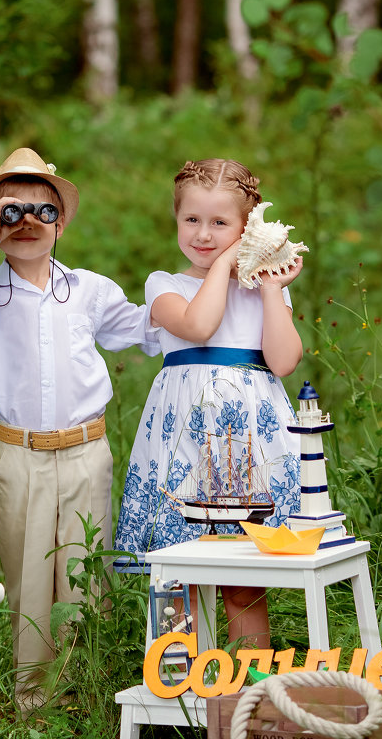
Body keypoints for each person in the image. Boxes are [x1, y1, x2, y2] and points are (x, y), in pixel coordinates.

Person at [0, 147, 156, 710]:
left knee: (85, 573)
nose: (27, 224)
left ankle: (85, 690)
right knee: (28, 574)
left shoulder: (90, 290)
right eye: (11, 212)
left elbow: (151, 330)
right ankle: (33, 700)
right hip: (19, 455)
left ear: (61, 223)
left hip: (85, 451)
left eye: (42, 213)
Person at [114, 158, 304, 649]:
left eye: (220, 224)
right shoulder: (165, 286)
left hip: (247, 445)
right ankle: (178, 690)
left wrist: (269, 289)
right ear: (176, 220)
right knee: (177, 574)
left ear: (246, 227)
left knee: (244, 578)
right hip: (182, 445)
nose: (203, 234)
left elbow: (283, 362)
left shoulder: (261, 293)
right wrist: (225, 262)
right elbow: (198, 326)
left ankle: (244, 694)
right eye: (191, 220)